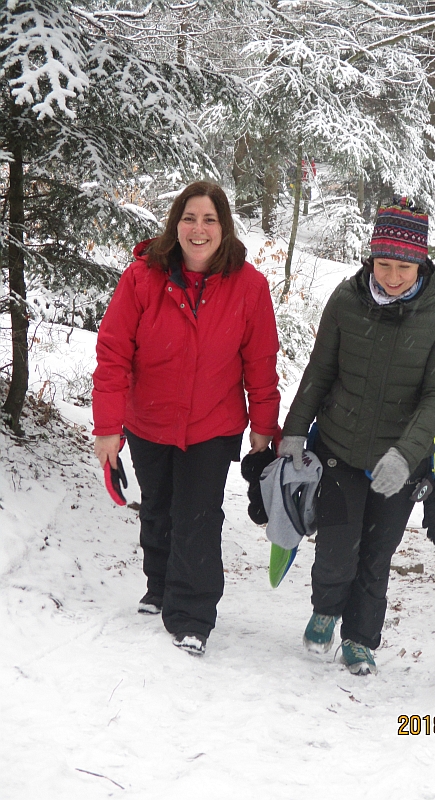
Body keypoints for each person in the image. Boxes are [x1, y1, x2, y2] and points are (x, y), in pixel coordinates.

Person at [92, 181, 280, 656]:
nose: (199, 229)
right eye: (190, 218)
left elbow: (260, 362)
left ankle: (192, 616)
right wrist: (108, 428)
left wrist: (264, 425)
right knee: (158, 506)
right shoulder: (141, 279)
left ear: (224, 228)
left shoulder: (250, 285)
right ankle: (160, 584)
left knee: (197, 517)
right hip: (148, 419)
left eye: (210, 220)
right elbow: (114, 354)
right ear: (176, 225)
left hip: (212, 425)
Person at [279, 197, 435, 675]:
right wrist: (295, 432)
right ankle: (325, 610)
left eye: (403, 266)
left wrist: (407, 453)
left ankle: (360, 639)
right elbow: (319, 372)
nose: (393, 276)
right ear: (370, 258)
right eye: (383, 264)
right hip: (338, 449)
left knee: (376, 556)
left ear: (420, 262)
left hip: (399, 465)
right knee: (337, 549)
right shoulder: (345, 301)